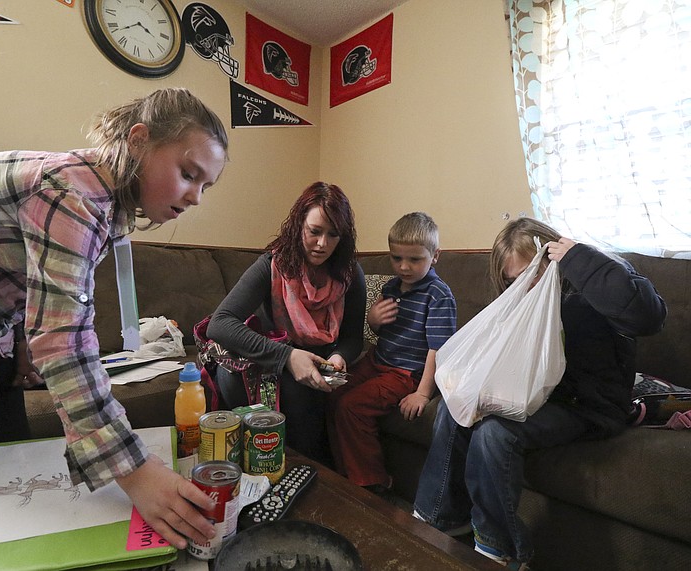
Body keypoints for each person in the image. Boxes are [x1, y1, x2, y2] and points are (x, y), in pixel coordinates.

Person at [0, 87, 228, 549]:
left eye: (205, 186)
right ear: (138, 141)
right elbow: (64, 338)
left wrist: (23, 342)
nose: (196, 197)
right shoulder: (73, 194)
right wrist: (134, 469)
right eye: (188, 174)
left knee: (10, 470)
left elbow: (38, 287)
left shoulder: (106, 205)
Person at [413, 217, 666, 569]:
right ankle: (438, 519)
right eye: (514, 281)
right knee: (452, 409)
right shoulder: (523, 302)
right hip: (538, 399)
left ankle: (497, 548)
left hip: (590, 407)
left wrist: (580, 260)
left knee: (494, 433)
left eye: (534, 272)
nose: (527, 286)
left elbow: (648, 316)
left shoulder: (591, 288)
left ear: (553, 257)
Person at [206, 182, 366, 464]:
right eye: (314, 232)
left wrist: (340, 356)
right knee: (245, 381)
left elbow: (353, 337)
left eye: (333, 235)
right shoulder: (273, 264)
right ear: (298, 225)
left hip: (321, 365)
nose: (322, 244)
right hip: (274, 359)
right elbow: (219, 323)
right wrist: (288, 356)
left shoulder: (350, 273)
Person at [327, 212, 456, 493]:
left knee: (353, 406)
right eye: (397, 258)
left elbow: (439, 349)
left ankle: (373, 481)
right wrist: (373, 319)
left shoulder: (438, 295)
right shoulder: (391, 286)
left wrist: (423, 393)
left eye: (414, 259)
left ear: (435, 256)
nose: (404, 267)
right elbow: (381, 333)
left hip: (406, 373)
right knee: (331, 391)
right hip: (378, 360)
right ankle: (342, 472)